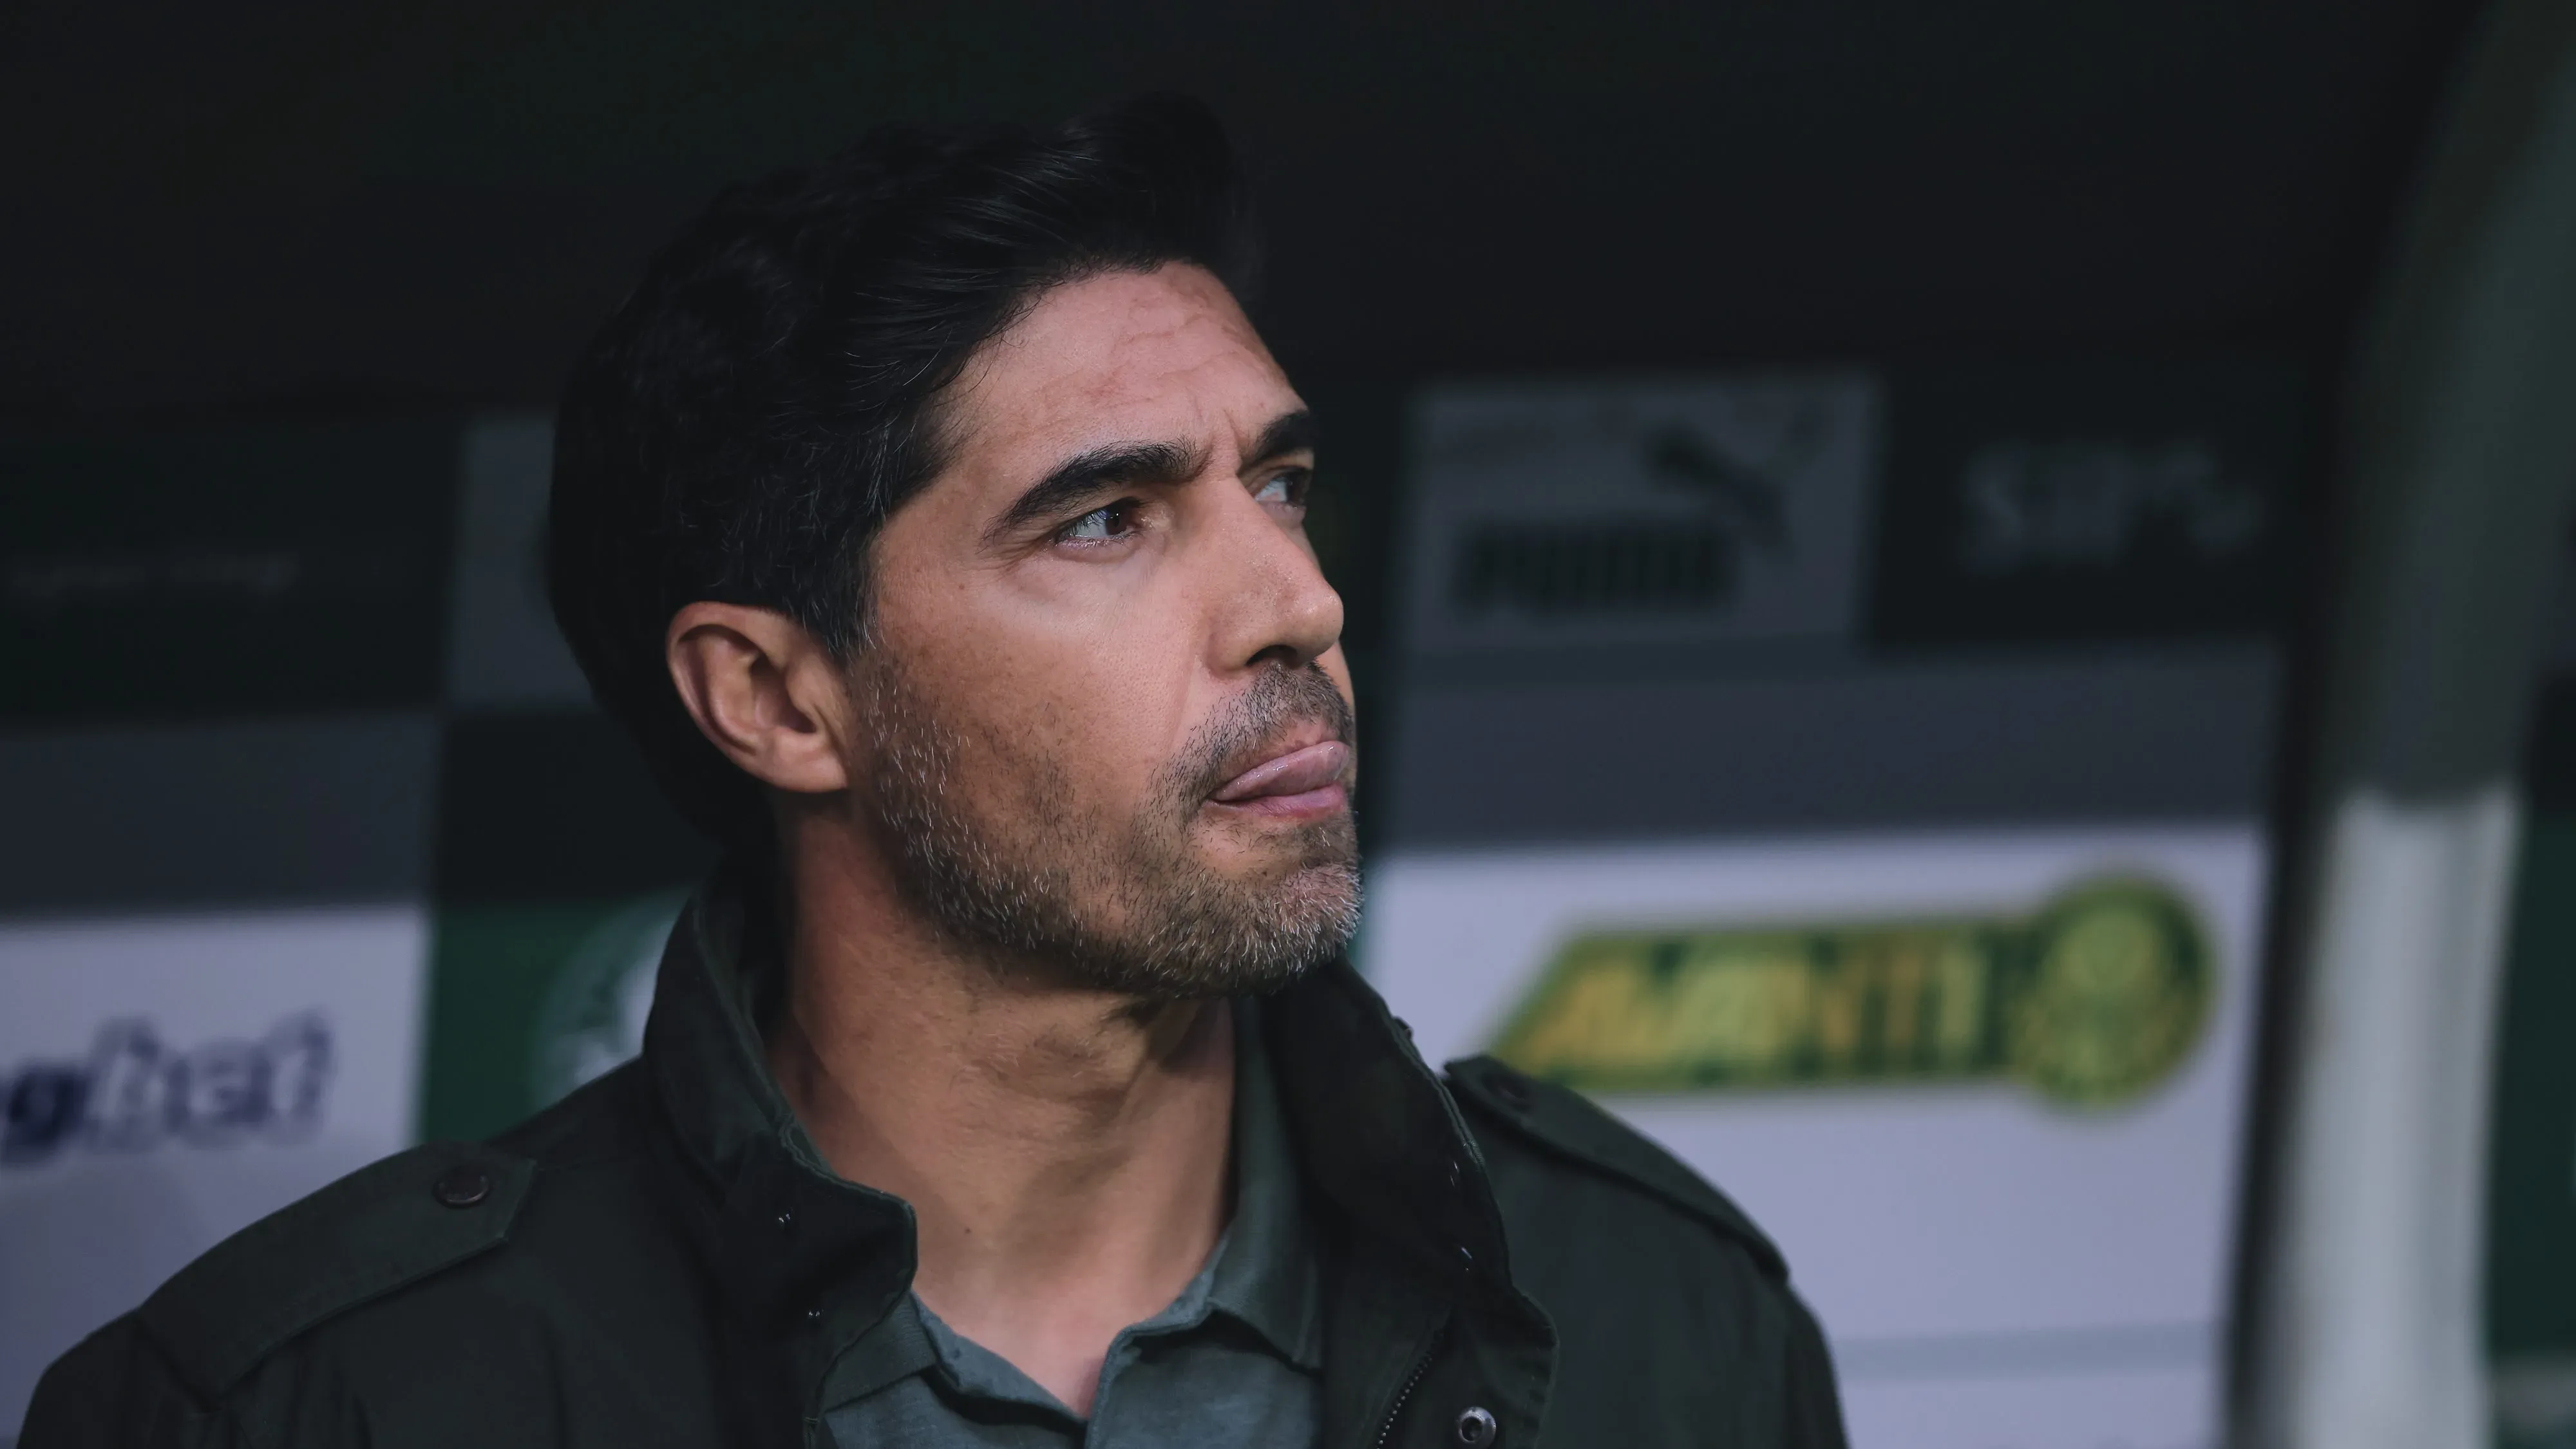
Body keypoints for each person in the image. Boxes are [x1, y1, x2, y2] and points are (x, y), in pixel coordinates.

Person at [24, 95, 1845, 1449]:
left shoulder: (1661, 1323)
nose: (1300, 600)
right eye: (1111, 521)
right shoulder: (314, 1406)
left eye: (1279, 485)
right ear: (777, 701)